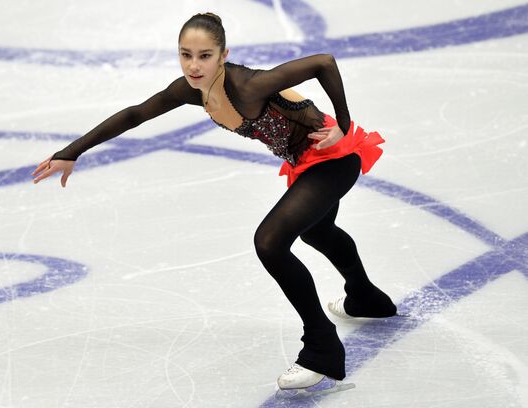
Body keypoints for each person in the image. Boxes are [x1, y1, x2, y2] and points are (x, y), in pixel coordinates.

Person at [32, 12, 397, 397]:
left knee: (270, 242)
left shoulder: (249, 85)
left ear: (223, 55)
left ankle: (322, 347)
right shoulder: (193, 89)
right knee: (318, 231)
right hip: (306, 163)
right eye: (185, 54)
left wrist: (343, 121)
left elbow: (323, 62)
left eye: (204, 55)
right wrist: (71, 152)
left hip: (334, 158)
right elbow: (136, 114)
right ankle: (367, 298)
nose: (193, 65)